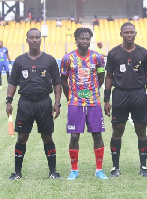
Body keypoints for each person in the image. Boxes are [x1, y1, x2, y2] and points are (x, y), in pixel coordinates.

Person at [6, 28, 62, 180]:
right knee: (22, 138)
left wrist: (57, 103)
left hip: (44, 103)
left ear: (41, 40)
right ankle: (17, 172)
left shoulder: (49, 60)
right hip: (25, 103)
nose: (35, 40)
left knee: (47, 137)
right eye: (32, 37)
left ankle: (52, 172)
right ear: (27, 40)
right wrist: (8, 101)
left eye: (37, 37)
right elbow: (12, 82)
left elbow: (57, 83)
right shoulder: (19, 61)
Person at [104, 22, 147, 177]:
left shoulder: (143, 53)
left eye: (132, 32)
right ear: (121, 34)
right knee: (117, 131)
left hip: (139, 94)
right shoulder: (113, 54)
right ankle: (115, 167)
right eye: (126, 32)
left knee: (141, 130)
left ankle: (143, 167)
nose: (129, 35)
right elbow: (109, 77)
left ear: (135, 33)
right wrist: (106, 100)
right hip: (120, 95)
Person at [61, 27, 108, 180]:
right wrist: (70, 96)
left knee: (97, 134)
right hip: (75, 102)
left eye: (87, 38)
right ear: (76, 40)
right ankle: (74, 170)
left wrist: (94, 91)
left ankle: (99, 170)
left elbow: (101, 77)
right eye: (82, 38)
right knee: (74, 136)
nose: (85, 41)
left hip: (93, 102)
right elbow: (63, 80)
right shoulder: (67, 58)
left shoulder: (97, 57)